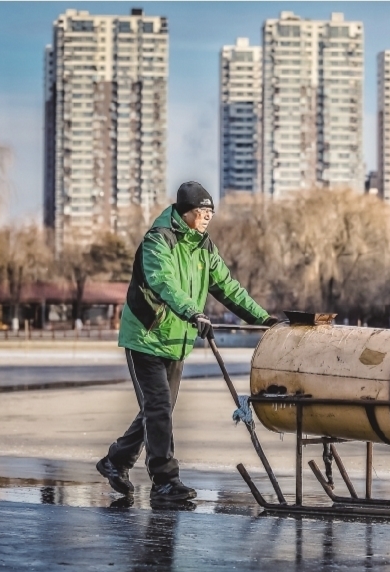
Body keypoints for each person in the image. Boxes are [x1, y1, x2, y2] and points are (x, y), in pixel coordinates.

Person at [96, 181, 277, 503]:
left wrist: (262, 319)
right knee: (159, 409)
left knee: (157, 411)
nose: (207, 217)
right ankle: (165, 480)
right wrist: (193, 312)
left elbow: (227, 287)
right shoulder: (158, 240)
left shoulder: (203, 247)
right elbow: (162, 281)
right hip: (147, 338)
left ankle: (115, 461)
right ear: (184, 212)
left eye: (210, 212)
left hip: (177, 340)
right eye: (200, 211)